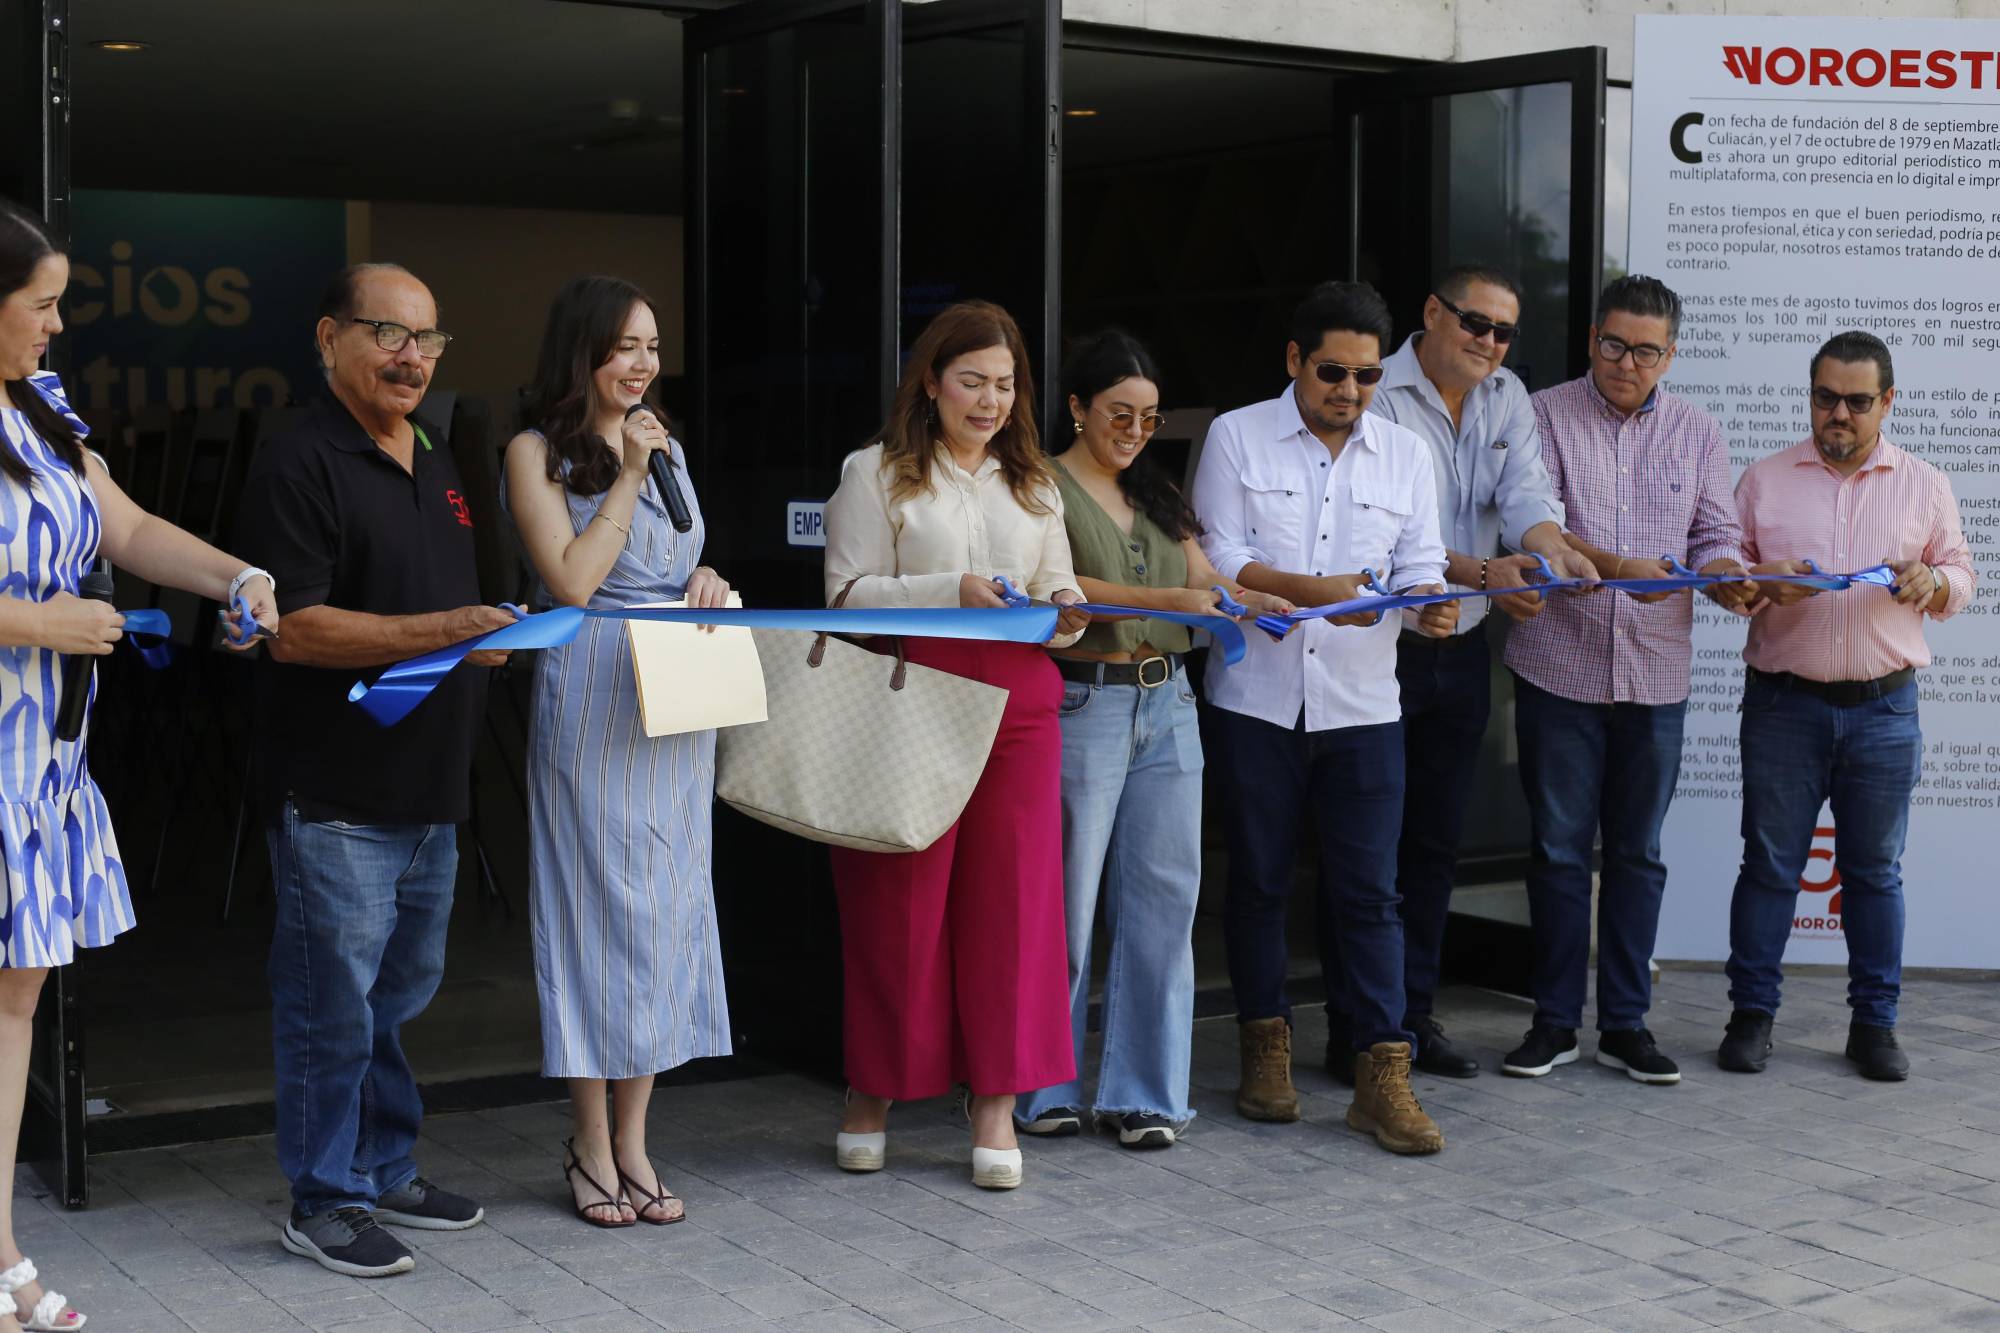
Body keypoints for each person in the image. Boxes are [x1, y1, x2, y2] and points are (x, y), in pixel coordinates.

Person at [0, 200, 279, 1333]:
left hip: (40, 759)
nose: (58, 326)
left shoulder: (44, 411)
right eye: (43, 304)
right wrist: (30, 622)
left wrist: (235, 573)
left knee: (15, 999)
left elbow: (126, 526)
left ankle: (0, 1250)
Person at [237, 263, 511, 1278]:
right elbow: (295, 630)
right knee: (330, 1007)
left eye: (427, 340)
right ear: (327, 338)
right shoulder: (299, 457)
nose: (410, 357)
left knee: (395, 997)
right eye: (387, 334)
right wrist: (449, 630)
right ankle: (324, 1196)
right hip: (337, 791)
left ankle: (385, 1161)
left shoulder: (436, 449)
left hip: (428, 785)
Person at [822, 300, 1088, 1191]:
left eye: (1005, 385)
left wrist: (1063, 617)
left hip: (1019, 703)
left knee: (1013, 908)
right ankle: (873, 1091)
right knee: (898, 899)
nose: (989, 401)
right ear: (931, 382)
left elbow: (1055, 591)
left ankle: (996, 1103)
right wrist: (950, 590)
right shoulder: (877, 471)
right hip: (911, 694)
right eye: (971, 380)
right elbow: (847, 596)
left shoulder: (1037, 483)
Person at [1189, 280, 1453, 1156]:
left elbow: (1420, 564)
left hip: (1364, 706)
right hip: (1257, 701)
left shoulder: (1406, 454)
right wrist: (1317, 596)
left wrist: (1432, 605)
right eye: (1333, 371)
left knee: (1371, 894)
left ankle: (1384, 1074)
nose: (1350, 391)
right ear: (1295, 361)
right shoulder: (1237, 435)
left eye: (1369, 376)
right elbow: (1222, 559)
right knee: (1259, 881)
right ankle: (1266, 1052)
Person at [1014, 330, 1290, 1151]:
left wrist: (1249, 597)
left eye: (1148, 416)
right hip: (1083, 703)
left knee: (1166, 903)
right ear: (1076, 407)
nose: (1134, 429)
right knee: (1065, 904)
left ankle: (1145, 1095)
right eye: (1118, 413)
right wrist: (1173, 595)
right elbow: (1060, 587)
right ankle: (1041, 1089)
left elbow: (1205, 578)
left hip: (1168, 705)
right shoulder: (1040, 487)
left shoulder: (1158, 489)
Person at [501, 276, 733, 1224]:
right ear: (582, 352)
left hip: (679, 692)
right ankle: (588, 1140)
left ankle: (636, 1138)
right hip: (595, 685)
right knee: (598, 912)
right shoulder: (536, 452)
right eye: (623, 347)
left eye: (650, 345)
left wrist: (709, 576)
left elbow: (678, 558)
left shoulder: (663, 439)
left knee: (668, 913)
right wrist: (629, 474)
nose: (642, 364)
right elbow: (569, 580)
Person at [1498, 274, 1756, 1087]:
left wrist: (1725, 574)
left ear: (1670, 355)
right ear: (1591, 340)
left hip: (1655, 675)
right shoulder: (1541, 413)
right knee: (1558, 851)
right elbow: (1533, 519)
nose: (1626, 362)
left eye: (1646, 351)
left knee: (1638, 855)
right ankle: (1551, 1021)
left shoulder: (1697, 430)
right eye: (1614, 344)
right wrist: (1616, 569)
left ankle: (1626, 1024)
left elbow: (1716, 531)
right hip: (1559, 669)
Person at [1360, 264, 1597, 1082]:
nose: (1489, 343)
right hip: (1376, 649)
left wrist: (1551, 552)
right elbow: (1380, 534)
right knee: (1365, 847)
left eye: (1503, 332)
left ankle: (1413, 1016)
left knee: (1430, 847)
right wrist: (1485, 572)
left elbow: (1528, 495)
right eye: (1474, 324)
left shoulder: (1508, 400)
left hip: (1459, 651)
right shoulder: (1373, 391)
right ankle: (1360, 1026)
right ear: (1431, 312)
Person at [1718, 331, 1974, 1082]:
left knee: (1874, 872)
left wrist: (1933, 582)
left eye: (1857, 402)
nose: (1838, 414)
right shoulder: (1766, 479)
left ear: (1886, 402)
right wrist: (1759, 579)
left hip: (1884, 711)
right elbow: (1727, 570)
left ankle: (1874, 1024)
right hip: (1784, 705)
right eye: (1825, 397)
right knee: (1769, 867)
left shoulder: (1925, 483)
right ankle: (1751, 1016)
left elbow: (1960, 574)